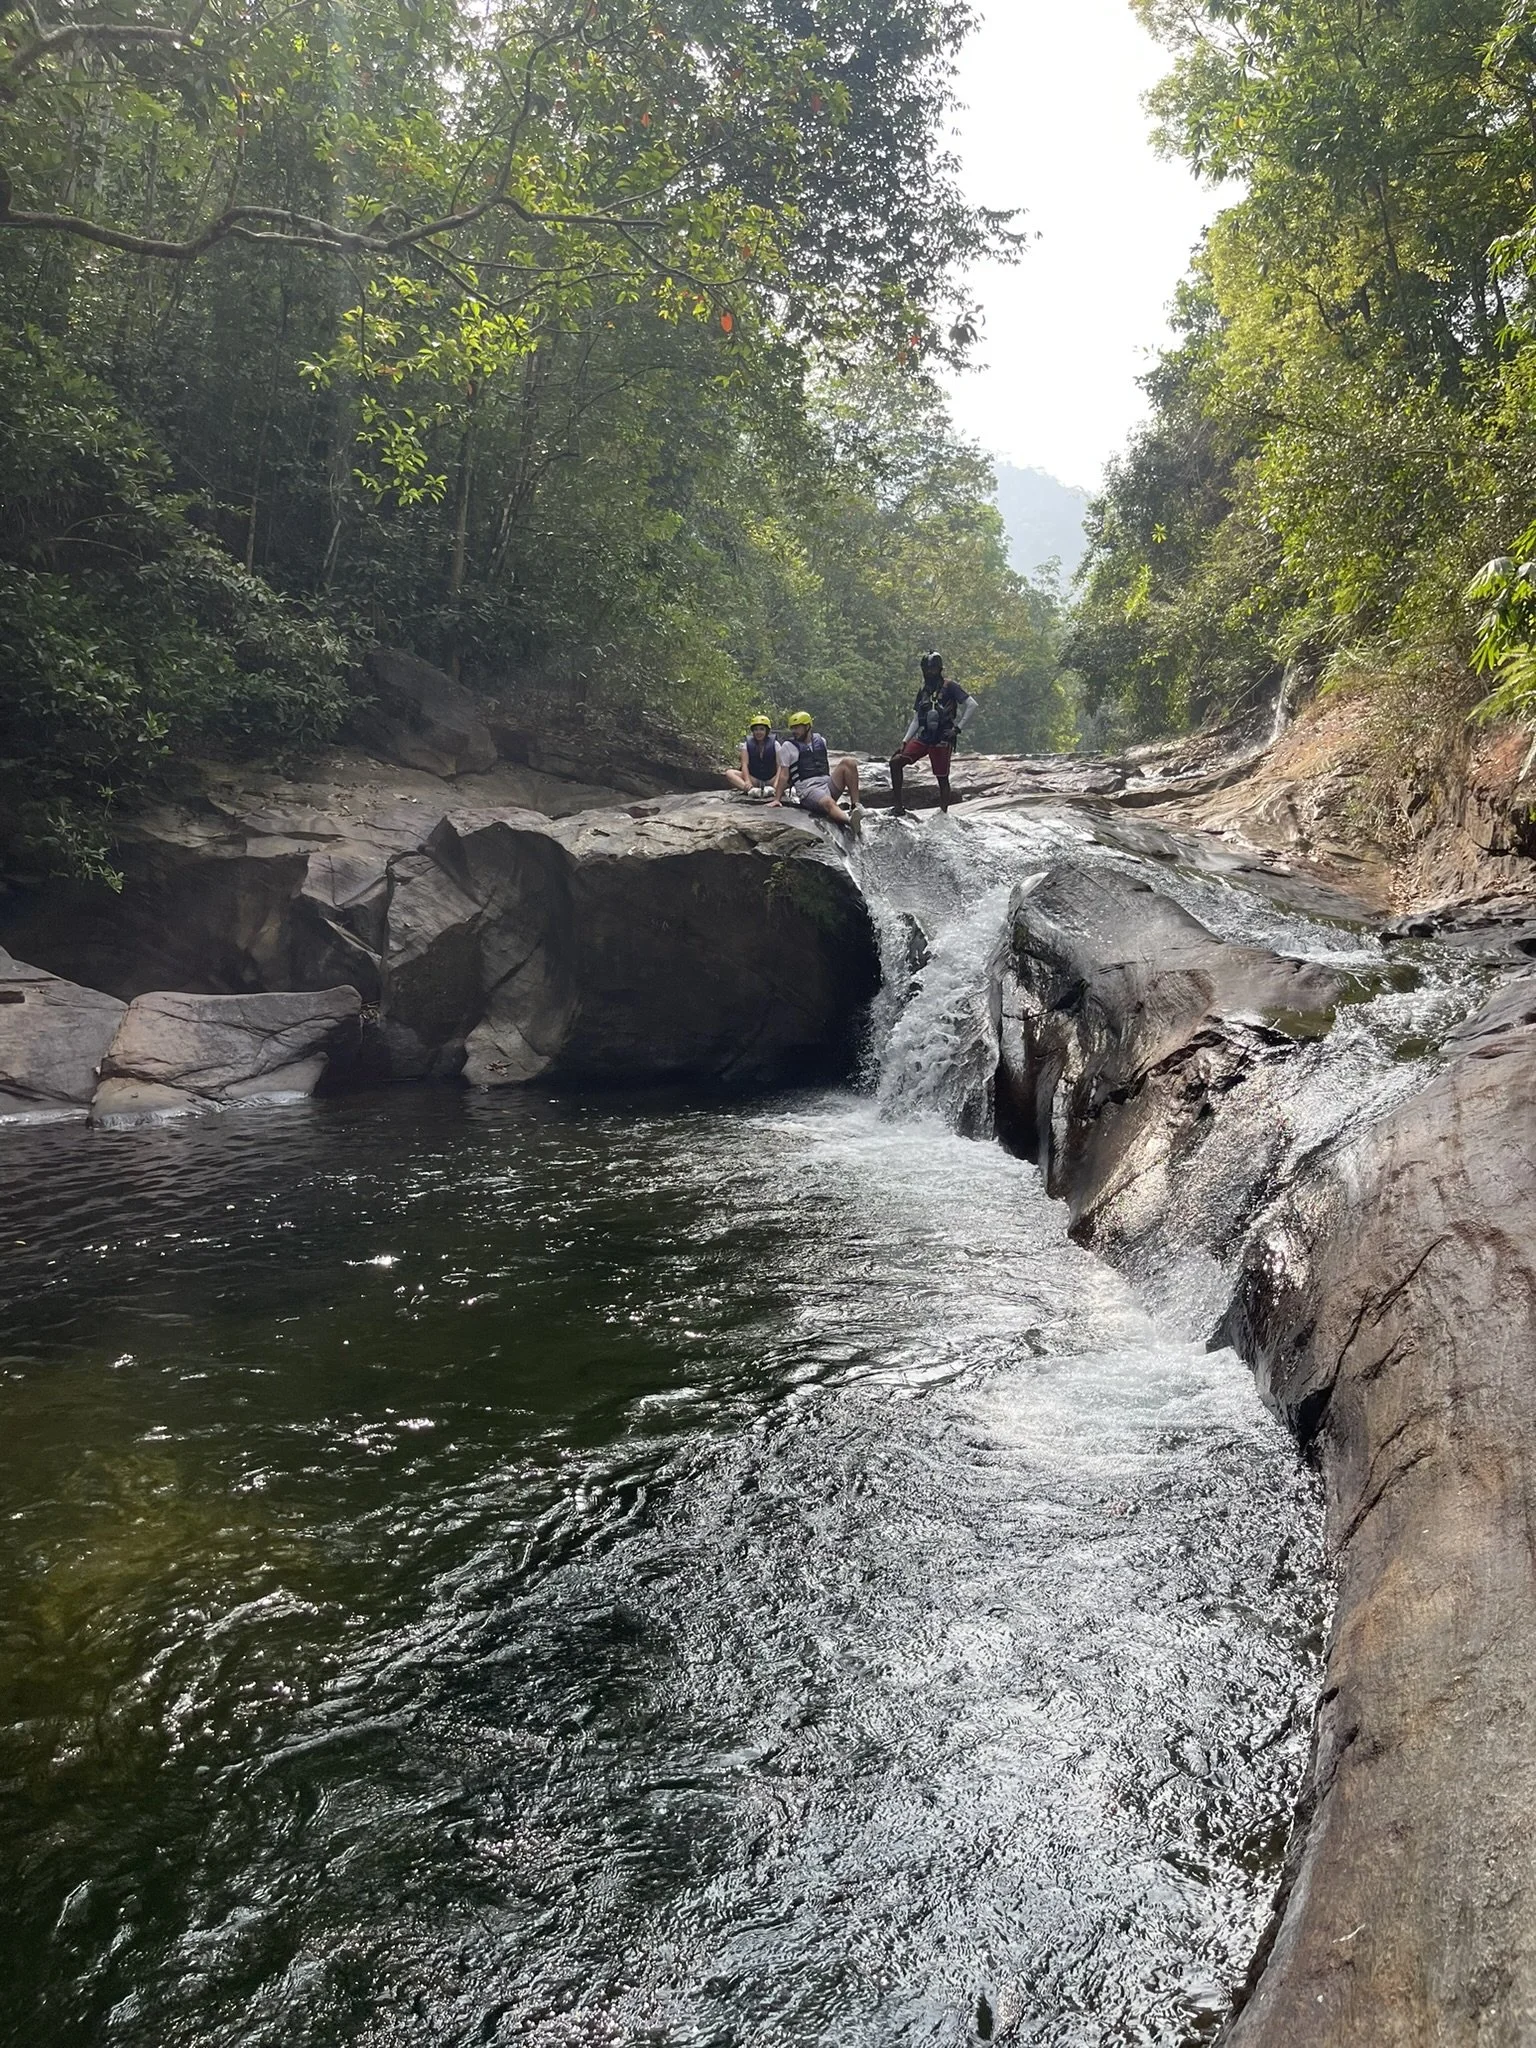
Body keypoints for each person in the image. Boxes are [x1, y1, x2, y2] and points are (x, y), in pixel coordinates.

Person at [889, 652, 977, 817]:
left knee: (942, 778)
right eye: (927, 669)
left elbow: (972, 705)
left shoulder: (950, 686)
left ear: (939, 669)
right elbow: (917, 719)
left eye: (933, 669)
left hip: (943, 738)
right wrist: (905, 741)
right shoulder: (923, 691)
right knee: (895, 763)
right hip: (925, 737)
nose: (930, 672)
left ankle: (943, 814)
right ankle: (898, 807)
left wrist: (957, 729)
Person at [771, 711, 863, 835]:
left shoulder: (821, 741)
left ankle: (855, 807)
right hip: (808, 790)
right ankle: (850, 822)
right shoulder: (787, 746)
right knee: (828, 802)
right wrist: (777, 799)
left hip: (828, 784)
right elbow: (784, 775)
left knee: (849, 763)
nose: (794, 731)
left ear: (808, 726)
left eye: (797, 728)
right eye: (792, 728)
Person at [726, 715, 779, 798]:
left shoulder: (775, 744)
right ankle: (752, 790)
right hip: (755, 779)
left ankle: (772, 790)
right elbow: (744, 765)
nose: (758, 732)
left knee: (789, 774)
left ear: (766, 731)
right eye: (756, 729)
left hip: (771, 779)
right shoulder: (747, 745)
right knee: (730, 773)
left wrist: (776, 783)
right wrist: (747, 781)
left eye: (761, 729)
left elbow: (780, 766)